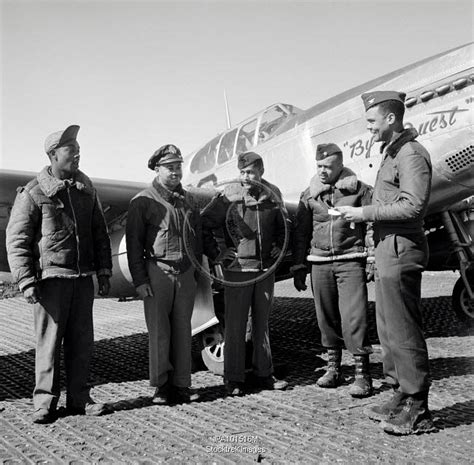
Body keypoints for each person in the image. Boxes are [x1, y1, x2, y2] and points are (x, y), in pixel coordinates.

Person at [338, 91, 435, 435]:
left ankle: (417, 406)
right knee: (388, 328)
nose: (368, 129)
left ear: (391, 119)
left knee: (404, 328)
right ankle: (399, 393)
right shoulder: (392, 153)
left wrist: (362, 212)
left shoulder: (410, 155)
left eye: (371, 122)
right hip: (386, 249)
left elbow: (413, 206)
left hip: (400, 249)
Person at [6, 125, 112, 424]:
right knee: (48, 343)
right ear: (53, 155)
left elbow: (100, 234)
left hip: (82, 280)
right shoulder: (33, 192)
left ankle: (80, 398)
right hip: (50, 281)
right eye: (70, 149)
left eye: (78, 149)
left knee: (81, 342)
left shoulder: (86, 189)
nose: (77, 154)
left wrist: (104, 272)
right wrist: (26, 281)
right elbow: (17, 240)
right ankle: (44, 402)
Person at [202, 151, 288, 396]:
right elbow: (205, 221)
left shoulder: (274, 194)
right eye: (242, 172)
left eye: (250, 172)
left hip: (264, 269)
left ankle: (264, 374)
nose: (246, 177)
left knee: (262, 324)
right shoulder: (228, 194)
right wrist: (219, 252)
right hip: (237, 270)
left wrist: (279, 245)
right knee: (236, 325)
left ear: (261, 171)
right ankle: (234, 378)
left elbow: (284, 225)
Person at [291, 143, 374, 398]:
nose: (323, 171)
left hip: (351, 259)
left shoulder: (360, 191)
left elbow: (371, 225)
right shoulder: (309, 195)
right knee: (325, 318)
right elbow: (301, 232)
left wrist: (371, 258)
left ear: (340, 165)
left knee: (354, 316)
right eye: (319, 166)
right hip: (319, 262)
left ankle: (362, 374)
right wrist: (298, 265)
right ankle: (333, 368)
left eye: (328, 166)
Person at [126, 144, 202, 405]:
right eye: (169, 167)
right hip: (157, 272)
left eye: (178, 166)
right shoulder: (142, 201)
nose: (175, 172)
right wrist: (140, 281)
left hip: (185, 272)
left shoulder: (189, 200)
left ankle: (182, 385)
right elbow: (133, 245)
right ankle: (161, 387)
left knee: (183, 330)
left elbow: (198, 237)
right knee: (159, 332)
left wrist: (199, 272)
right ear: (157, 169)